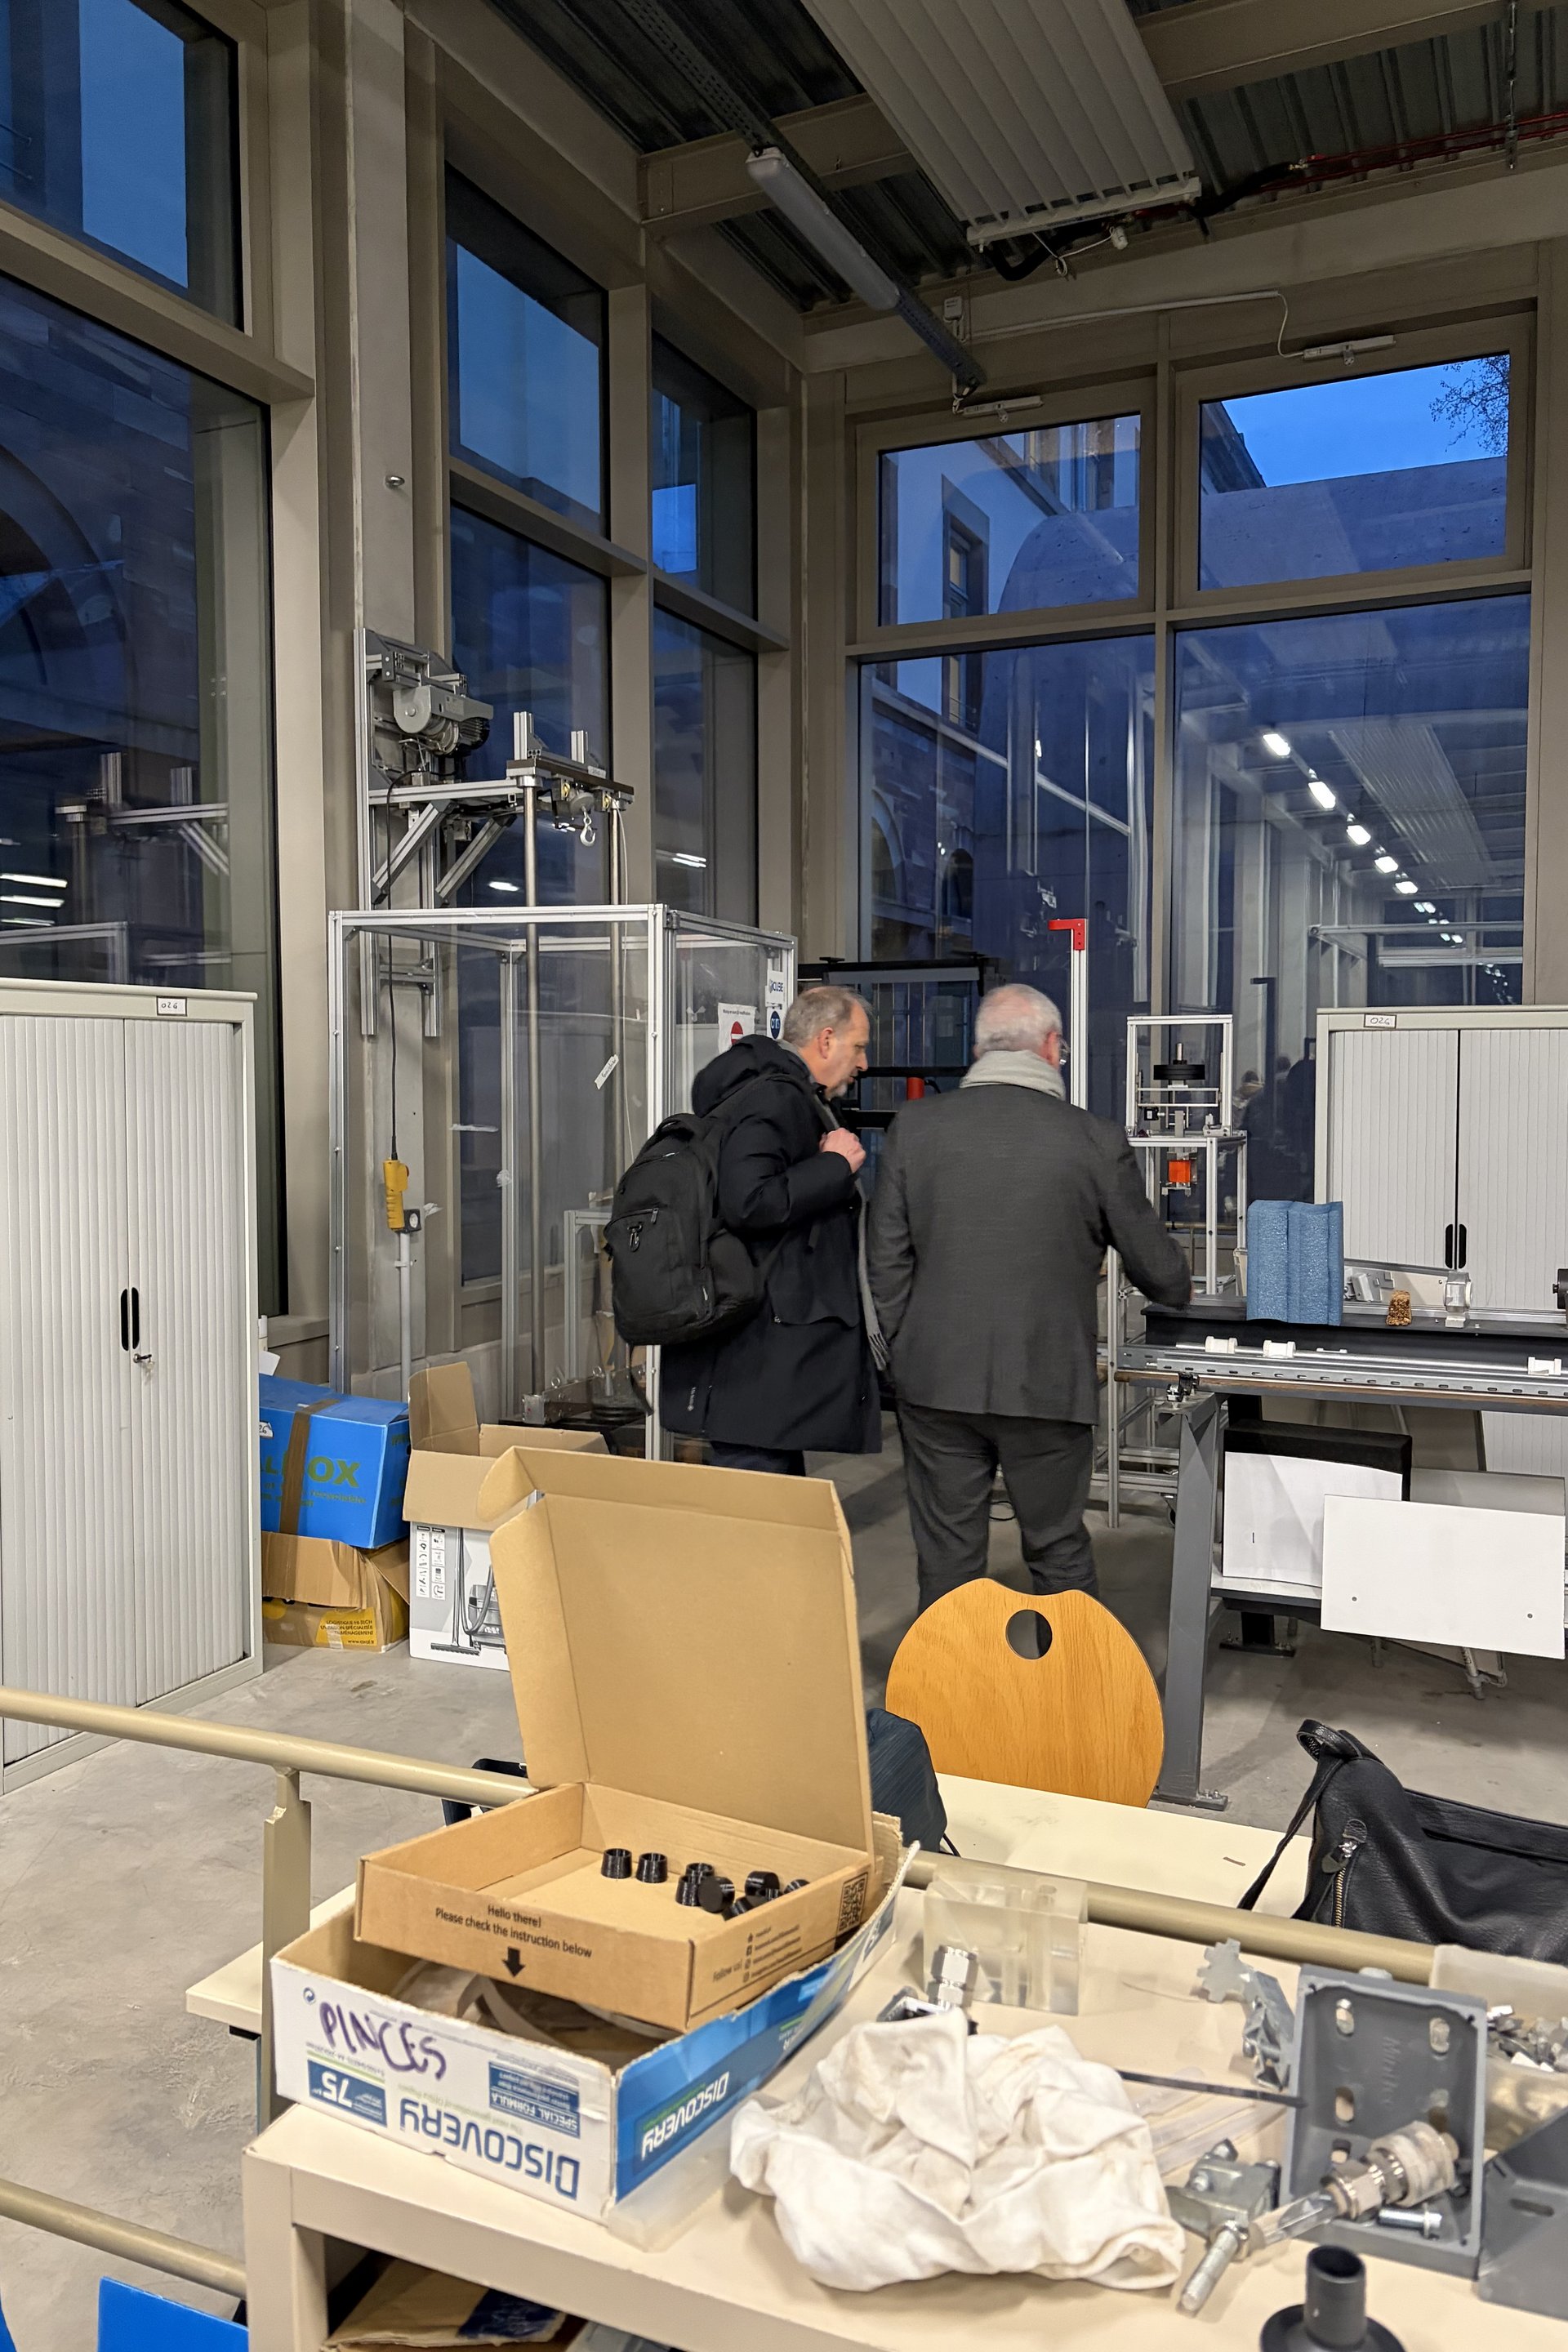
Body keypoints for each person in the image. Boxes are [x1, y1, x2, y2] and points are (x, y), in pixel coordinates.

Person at [867, 982, 1191, 1610]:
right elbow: (1163, 1276)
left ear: (980, 1050)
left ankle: (948, 1677)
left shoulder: (916, 1128)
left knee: (947, 1560)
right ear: (1050, 1047)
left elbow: (886, 1260)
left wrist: (905, 1351)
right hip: (1046, 1382)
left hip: (935, 1381)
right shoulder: (1092, 1139)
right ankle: (1068, 1674)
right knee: (1057, 1548)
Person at [660, 986, 881, 1474]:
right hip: (758, 1355)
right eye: (859, 1047)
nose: (863, 1064)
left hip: (766, 1355)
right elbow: (749, 1200)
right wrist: (833, 1166)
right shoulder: (775, 1098)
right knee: (755, 1496)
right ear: (826, 1040)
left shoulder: (785, 1095)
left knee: (775, 1495)